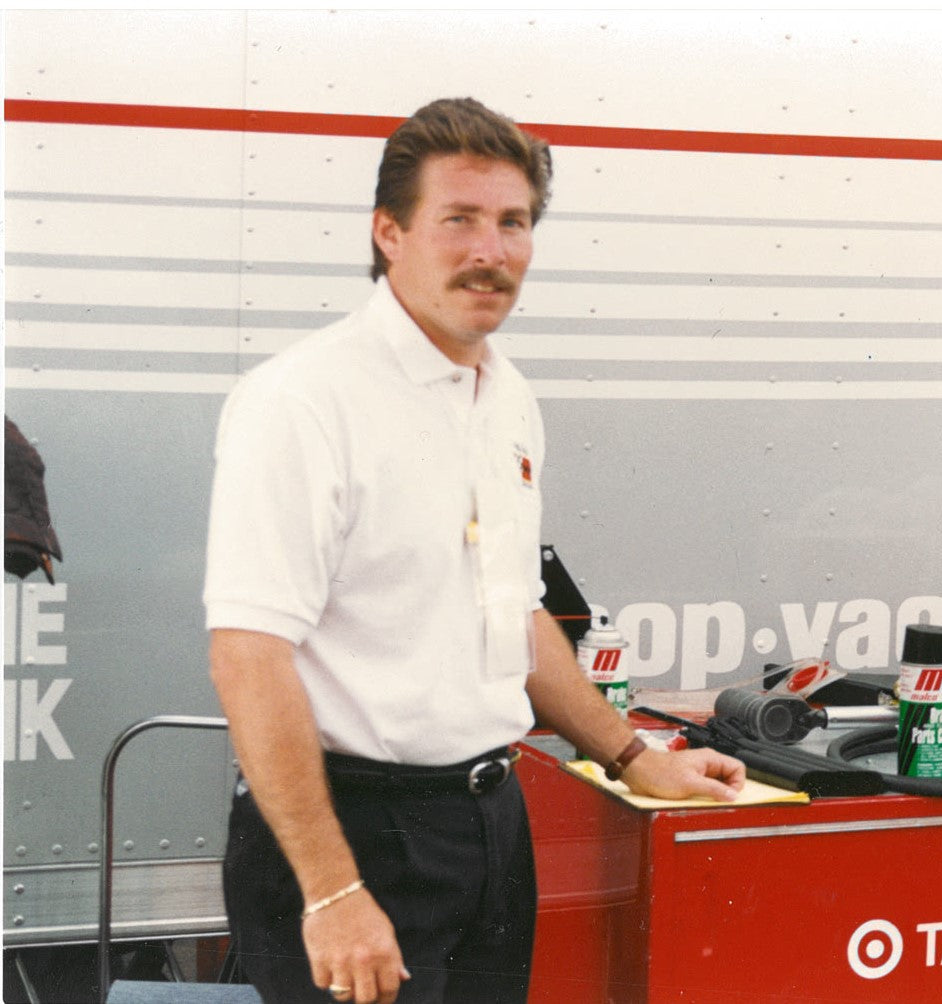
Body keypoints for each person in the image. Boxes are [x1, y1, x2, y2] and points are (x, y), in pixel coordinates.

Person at [203, 97, 745, 1004]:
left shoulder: (506, 396)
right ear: (389, 233)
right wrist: (332, 891)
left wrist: (632, 755)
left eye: (513, 222)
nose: (489, 251)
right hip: (355, 835)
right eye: (458, 219)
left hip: (491, 825)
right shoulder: (301, 403)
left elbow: (514, 611)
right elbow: (249, 656)